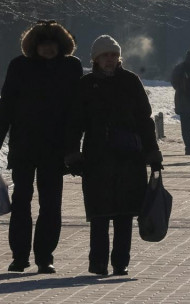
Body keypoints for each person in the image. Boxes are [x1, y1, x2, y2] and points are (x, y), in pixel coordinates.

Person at [0, 20, 83, 274]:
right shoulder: (20, 67)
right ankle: (19, 255)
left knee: (51, 203)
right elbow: (5, 108)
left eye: (52, 44)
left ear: (61, 46)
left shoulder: (71, 68)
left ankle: (45, 256)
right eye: (43, 44)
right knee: (21, 201)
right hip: (24, 145)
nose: (48, 49)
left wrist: (74, 148)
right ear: (34, 46)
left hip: (56, 148)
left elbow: (78, 112)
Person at [66, 35, 162, 277]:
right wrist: (73, 154)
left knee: (124, 213)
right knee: (99, 213)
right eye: (104, 55)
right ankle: (98, 262)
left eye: (113, 55)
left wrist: (152, 153)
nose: (109, 60)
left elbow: (145, 120)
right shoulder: (86, 85)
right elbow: (74, 122)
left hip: (129, 155)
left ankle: (120, 262)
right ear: (96, 59)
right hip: (97, 156)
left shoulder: (131, 81)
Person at [170, 49, 190, 156]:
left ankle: (189, 147)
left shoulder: (179, 68)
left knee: (185, 127)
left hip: (183, 101)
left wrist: (181, 89)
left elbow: (174, 82)